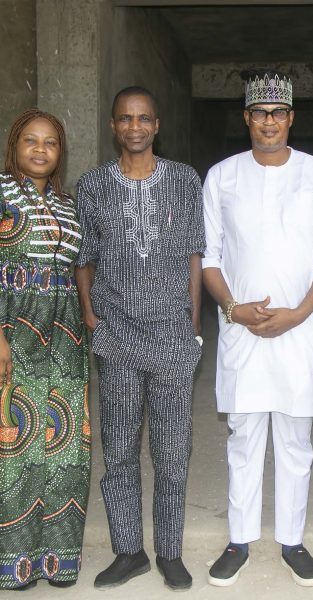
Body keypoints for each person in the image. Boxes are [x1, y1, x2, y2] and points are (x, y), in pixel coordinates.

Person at [202, 68, 313, 587]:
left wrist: (300, 313)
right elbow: (210, 257)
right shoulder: (222, 175)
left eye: (278, 113)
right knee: (243, 439)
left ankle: (292, 541)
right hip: (241, 328)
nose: (269, 122)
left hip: (299, 331)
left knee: (294, 441)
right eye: (259, 113)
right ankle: (239, 540)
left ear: (291, 118)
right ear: (246, 118)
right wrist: (232, 307)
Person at [75, 86, 204, 591]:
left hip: (173, 335)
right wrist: (93, 319)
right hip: (118, 336)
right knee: (121, 450)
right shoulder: (92, 186)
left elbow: (195, 254)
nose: (135, 127)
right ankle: (129, 551)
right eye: (125, 119)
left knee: (173, 451)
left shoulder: (185, 181)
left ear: (156, 125)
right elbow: (84, 258)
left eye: (144, 118)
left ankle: (169, 551)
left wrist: (193, 328)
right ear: (113, 126)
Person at [0, 109, 89, 590]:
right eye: (30, 141)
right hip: (14, 333)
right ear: (15, 145)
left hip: (65, 338)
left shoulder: (67, 204)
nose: (40, 150)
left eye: (50, 143)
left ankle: (57, 559)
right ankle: (14, 563)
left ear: (60, 153)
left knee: (64, 448)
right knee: (14, 450)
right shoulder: (1, 195)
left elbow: (79, 272)